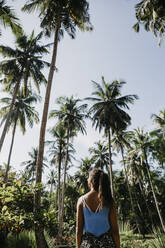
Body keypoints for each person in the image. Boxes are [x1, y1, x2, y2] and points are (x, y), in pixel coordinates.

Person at [76, 168, 120, 248]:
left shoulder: (81, 201)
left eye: (88, 177)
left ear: (91, 181)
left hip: (88, 245)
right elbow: (115, 231)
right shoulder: (108, 200)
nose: (87, 179)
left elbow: (79, 231)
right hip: (107, 244)